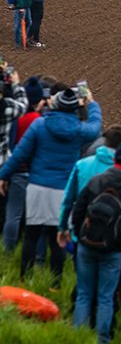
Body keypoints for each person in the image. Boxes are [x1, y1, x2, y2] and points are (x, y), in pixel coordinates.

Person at [0, 86, 103, 284]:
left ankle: (24, 279)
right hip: (62, 191)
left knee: (31, 236)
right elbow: (96, 125)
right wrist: (91, 102)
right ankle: (55, 283)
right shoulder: (80, 130)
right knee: (59, 239)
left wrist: (3, 176)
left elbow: (20, 153)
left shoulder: (40, 125)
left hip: (37, 186)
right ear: (74, 109)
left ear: (55, 106)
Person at [69, 141, 121, 344]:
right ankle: (102, 338)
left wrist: (79, 235)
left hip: (86, 244)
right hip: (113, 251)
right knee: (106, 297)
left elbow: (78, 210)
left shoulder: (96, 181)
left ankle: (77, 336)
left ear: (114, 159)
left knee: (84, 293)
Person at [3, 76, 42, 252]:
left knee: (12, 212)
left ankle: (8, 248)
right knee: (20, 213)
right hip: (27, 169)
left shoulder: (15, 117)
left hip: (13, 167)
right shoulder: (35, 120)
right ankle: (16, 248)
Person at [0, 62, 28, 243]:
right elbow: (23, 104)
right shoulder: (7, 107)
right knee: (5, 204)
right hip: (3, 160)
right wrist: (16, 84)